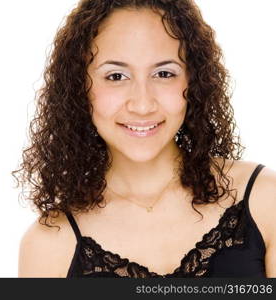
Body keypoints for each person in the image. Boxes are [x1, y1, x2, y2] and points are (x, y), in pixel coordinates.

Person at [14, 0, 276, 277]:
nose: (142, 104)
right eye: (116, 76)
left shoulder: (264, 200)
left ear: (194, 81)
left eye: (164, 74)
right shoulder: (49, 245)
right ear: (79, 88)